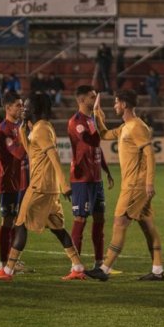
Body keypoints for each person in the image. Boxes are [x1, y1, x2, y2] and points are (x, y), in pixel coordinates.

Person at [0, 93, 95, 282]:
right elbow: (32, 154)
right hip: (48, 187)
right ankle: (77, 267)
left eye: (26, 106)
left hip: (40, 186)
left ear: (35, 109)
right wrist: (22, 131)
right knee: (58, 228)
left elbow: (54, 156)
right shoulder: (39, 128)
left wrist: (64, 184)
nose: (23, 109)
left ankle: (8, 271)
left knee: (20, 224)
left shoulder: (41, 129)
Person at [86, 90, 164, 281]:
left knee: (120, 222)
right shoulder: (125, 127)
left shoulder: (137, 127)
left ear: (124, 105)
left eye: (116, 103)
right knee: (148, 226)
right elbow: (104, 134)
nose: (114, 106)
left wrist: (149, 182)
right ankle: (158, 270)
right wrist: (97, 112)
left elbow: (150, 155)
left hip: (135, 186)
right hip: (132, 185)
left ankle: (104, 269)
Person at [67, 86, 116, 271]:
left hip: (96, 178)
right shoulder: (76, 121)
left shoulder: (91, 120)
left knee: (100, 220)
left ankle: (99, 263)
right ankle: (75, 266)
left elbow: (97, 148)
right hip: (82, 179)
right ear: (81, 100)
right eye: (92, 97)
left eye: (95, 96)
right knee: (80, 219)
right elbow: (93, 141)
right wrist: (99, 118)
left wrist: (107, 171)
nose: (95, 99)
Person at [0, 92, 29, 276]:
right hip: (8, 180)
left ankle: (13, 261)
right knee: (8, 221)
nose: (21, 108)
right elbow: (19, 153)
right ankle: (3, 263)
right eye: (18, 105)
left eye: (22, 105)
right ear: (8, 107)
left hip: (22, 179)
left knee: (20, 220)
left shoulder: (20, 126)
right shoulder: (3, 129)